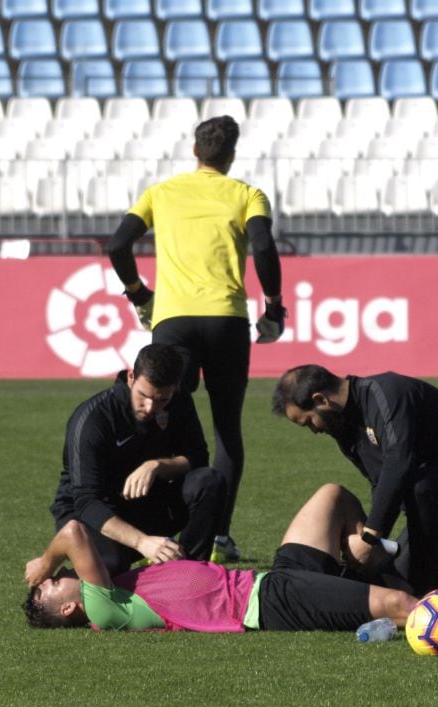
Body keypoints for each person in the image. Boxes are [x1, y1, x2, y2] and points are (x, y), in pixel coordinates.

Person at [24, 483, 438, 636]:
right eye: (54, 589)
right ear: (68, 609)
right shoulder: (104, 610)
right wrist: (44, 564)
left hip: (274, 579)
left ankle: (401, 579)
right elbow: (73, 531)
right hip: (270, 604)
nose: (62, 578)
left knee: (331, 497)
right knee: (402, 603)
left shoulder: (120, 581)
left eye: (53, 580)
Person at [107, 114, 286, 565]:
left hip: (174, 321)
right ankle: (218, 537)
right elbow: (263, 247)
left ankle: (153, 528)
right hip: (226, 320)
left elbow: (118, 245)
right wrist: (274, 305)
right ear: (231, 155)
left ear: (194, 150)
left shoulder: (161, 192)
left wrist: (137, 292)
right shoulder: (247, 193)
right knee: (226, 429)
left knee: (159, 418)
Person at [271, 364, 438, 613]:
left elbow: (399, 462)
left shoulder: (386, 393)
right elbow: (380, 483)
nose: (314, 430)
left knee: (419, 489)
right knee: (391, 589)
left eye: (308, 422)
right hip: (432, 505)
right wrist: (377, 545)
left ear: (321, 399)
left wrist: (370, 538)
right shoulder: (344, 427)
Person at [49, 343, 227, 574]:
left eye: (162, 399)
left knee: (208, 482)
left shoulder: (179, 401)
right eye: (144, 395)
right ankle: (52, 578)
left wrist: (157, 465)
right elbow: (86, 501)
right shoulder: (94, 419)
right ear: (131, 377)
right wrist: (142, 542)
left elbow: (198, 458)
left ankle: (188, 576)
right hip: (91, 512)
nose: (151, 407)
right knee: (112, 564)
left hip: (145, 503)